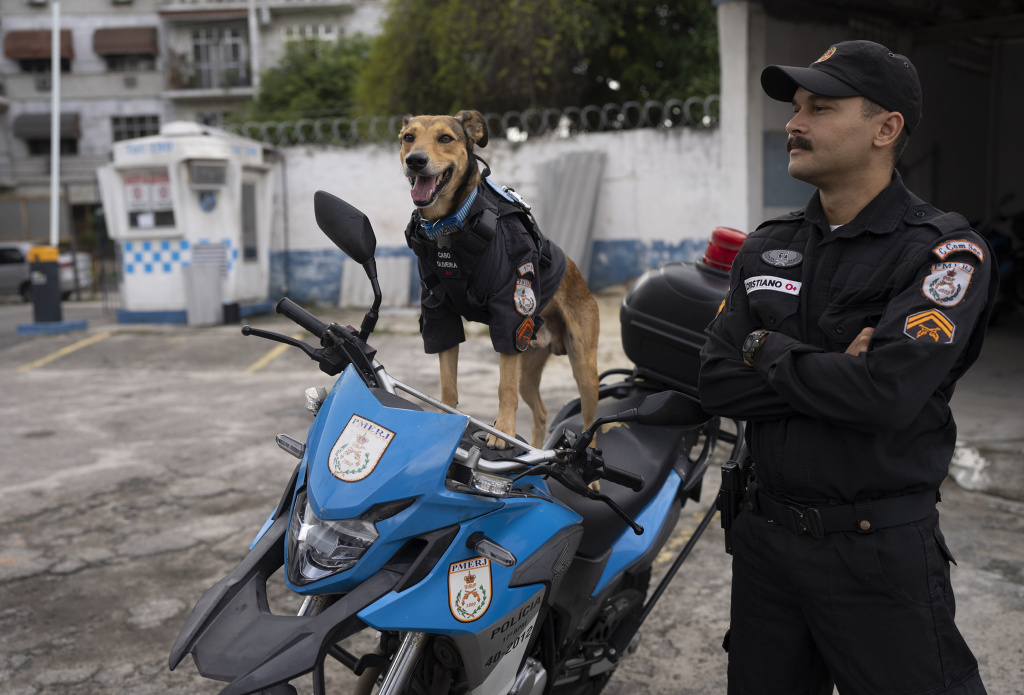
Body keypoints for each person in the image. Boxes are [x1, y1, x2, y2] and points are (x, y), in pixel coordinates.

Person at [699, 40, 996, 694]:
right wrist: (831, 369)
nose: (795, 122)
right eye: (797, 106)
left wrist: (763, 348)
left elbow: (886, 394)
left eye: (822, 107)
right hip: (766, 548)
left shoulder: (943, 252)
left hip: (877, 556)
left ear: (885, 129)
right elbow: (715, 378)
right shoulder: (767, 246)